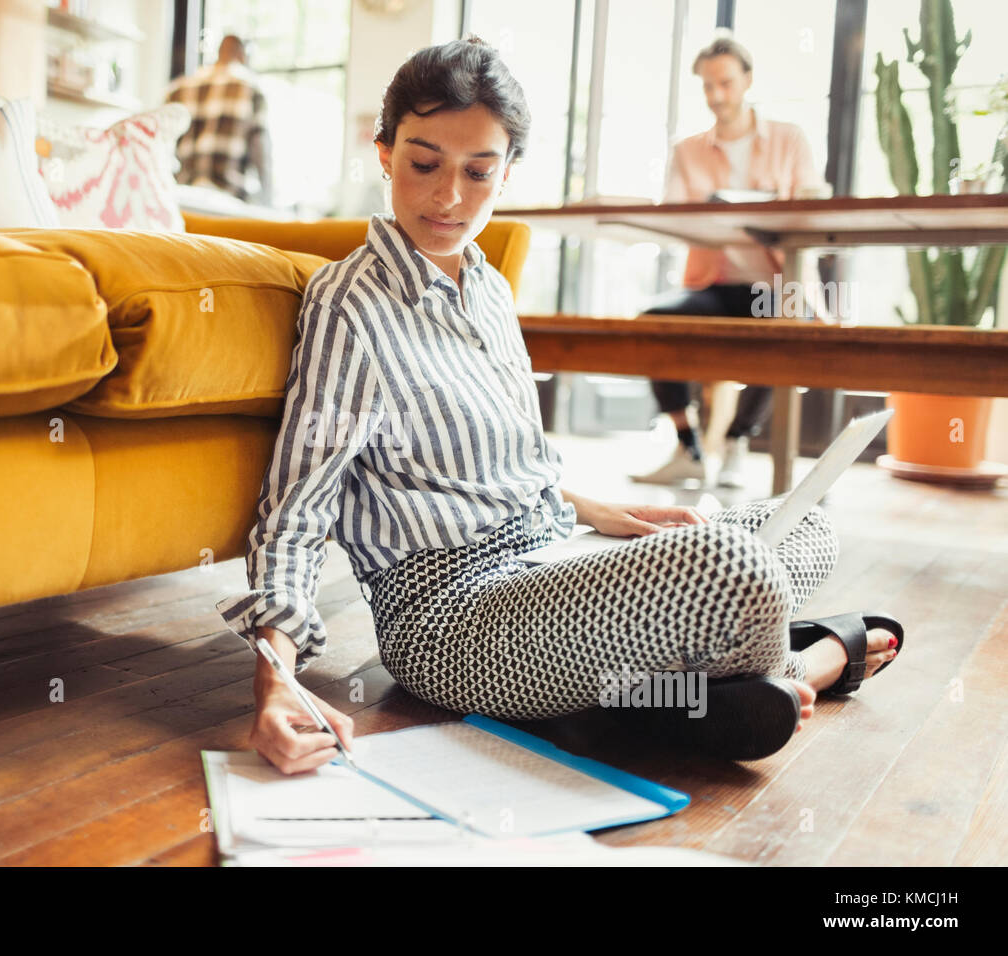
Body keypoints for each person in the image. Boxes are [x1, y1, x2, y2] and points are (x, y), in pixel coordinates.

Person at [215, 37, 900, 775]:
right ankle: (783, 666)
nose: (447, 196)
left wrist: (599, 513)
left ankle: (687, 690)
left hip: (555, 558)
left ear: (506, 174)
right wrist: (275, 681)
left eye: (478, 172)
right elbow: (297, 507)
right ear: (384, 154)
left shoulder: (490, 290)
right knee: (734, 565)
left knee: (799, 523)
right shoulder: (350, 305)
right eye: (423, 163)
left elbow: (499, 461)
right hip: (454, 622)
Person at [632, 34, 826, 489]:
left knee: (789, 326)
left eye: (725, 83)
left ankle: (737, 441)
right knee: (650, 323)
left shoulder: (789, 139)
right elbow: (677, 218)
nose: (716, 96)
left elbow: (810, 206)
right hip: (714, 286)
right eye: (707, 86)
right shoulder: (687, 151)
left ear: (747, 80)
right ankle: (689, 448)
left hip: (778, 286)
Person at [164, 35, 272, 204]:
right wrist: (268, 200)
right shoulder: (251, 89)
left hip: (182, 198)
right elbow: (261, 151)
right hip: (228, 201)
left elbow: (162, 150)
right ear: (242, 56)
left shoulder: (177, 89)